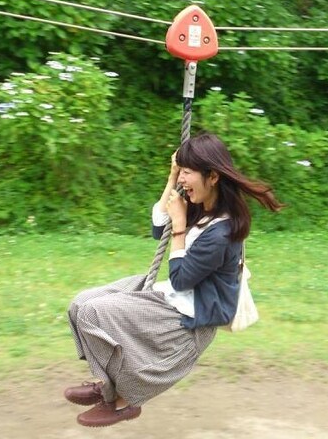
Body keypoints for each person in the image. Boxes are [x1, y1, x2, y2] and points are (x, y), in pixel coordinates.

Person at [65, 132, 282, 428]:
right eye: (181, 171)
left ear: (213, 176)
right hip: (173, 295)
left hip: (193, 312)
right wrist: (171, 178)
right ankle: (105, 382)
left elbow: (181, 279)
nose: (182, 179)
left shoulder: (222, 232)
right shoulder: (201, 205)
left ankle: (121, 401)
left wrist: (180, 224)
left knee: (93, 313)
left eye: (187, 172)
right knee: (80, 304)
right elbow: (159, 229)